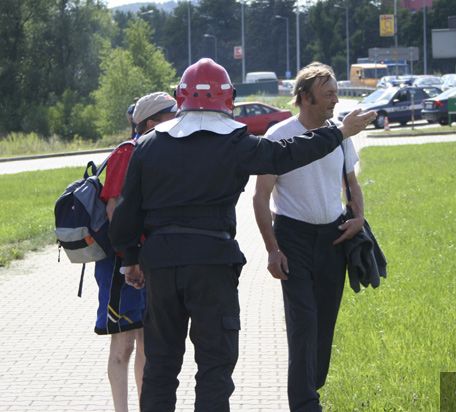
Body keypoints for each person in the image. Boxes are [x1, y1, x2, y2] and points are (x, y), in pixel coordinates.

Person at [108, 58, 375, 412]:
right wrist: (339, 132)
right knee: (214, 368)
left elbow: (127, 213)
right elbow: (287, 155)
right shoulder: (235, 142)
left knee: (160, 367)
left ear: (181, 96)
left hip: (162, 264)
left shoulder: (149, 144)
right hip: (213, 265)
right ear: (228, 97)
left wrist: (130, 260)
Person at [253, 62, 365, 412]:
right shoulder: (278, 136)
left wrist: (359, 218)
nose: (335, 100)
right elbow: (260, 197)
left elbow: (352, 183)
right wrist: (272, 250)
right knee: (303, 322)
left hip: (334, 239)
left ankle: (310, 386)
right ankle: (305, 403)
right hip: (293, 239)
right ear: (305, 97)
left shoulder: (339, 134)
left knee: (324, 323)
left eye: (336, 93)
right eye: (328, 94)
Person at [95, 91, 177, 412]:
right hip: (122, 263)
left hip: (149, 260)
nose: (178, 119)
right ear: (152, 122)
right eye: (172, 114)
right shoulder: (126, 152)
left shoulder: (161, 152)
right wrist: (130, 257)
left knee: (146, 342)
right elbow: (114, 211)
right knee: (123, 343)